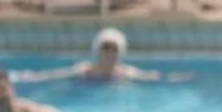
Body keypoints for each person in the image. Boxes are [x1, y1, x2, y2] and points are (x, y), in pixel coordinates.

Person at [15, 29, 190, 85]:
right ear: (96, 50)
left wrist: (178, 78)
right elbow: (52, 76)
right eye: (105, 49)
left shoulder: (125, 73)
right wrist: (25, 77)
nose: (109, 54)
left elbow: (154, 77)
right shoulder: (83, 70)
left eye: (114, 50)